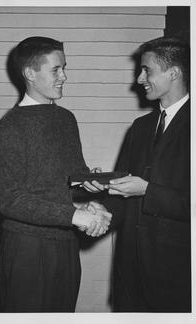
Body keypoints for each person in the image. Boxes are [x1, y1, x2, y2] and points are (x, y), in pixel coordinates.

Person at [0, 36, 112, 312]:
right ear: (30, 73)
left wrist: (91, 192)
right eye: (56, 69)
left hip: (66, 243)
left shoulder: (66, 118)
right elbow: (9, 200)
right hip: (27, 249)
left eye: (64, 68)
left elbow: (73, 177)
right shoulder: (10, 126)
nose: (64, 76)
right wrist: (76, 216)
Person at [83, 36, 190, 312]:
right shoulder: (140, 127)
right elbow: (123, 192)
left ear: (174, 73)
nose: (139, 78)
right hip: (131, 274)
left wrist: (147, 191)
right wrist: (100, 210)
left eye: (147, 70)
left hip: (178, 278)